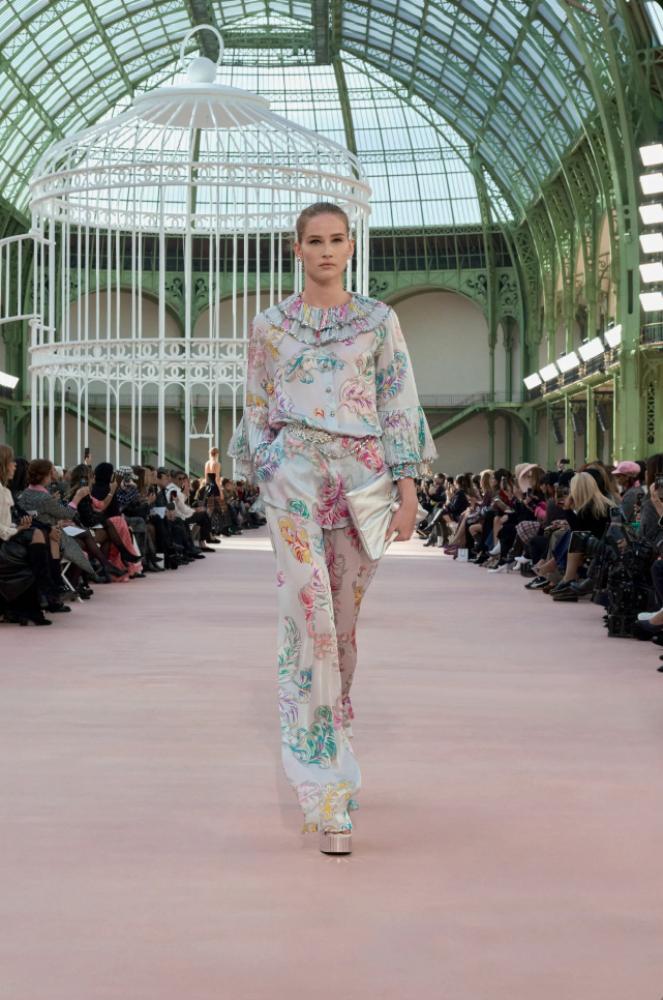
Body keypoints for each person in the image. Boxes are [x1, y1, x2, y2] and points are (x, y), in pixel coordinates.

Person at [228, 201, 437, 855]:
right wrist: (268, 464)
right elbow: (256, 404)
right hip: (292, 477)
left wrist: (407, 491)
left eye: (336, 239)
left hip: (364, 483)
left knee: (341, 627)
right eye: (313, 240)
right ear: (296, 249)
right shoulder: (269, 326)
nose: (325, 250)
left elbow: (398, 402)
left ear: (350, 247)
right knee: (309, 616)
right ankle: (323, 785)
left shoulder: (378, 320)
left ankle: (335, 728)